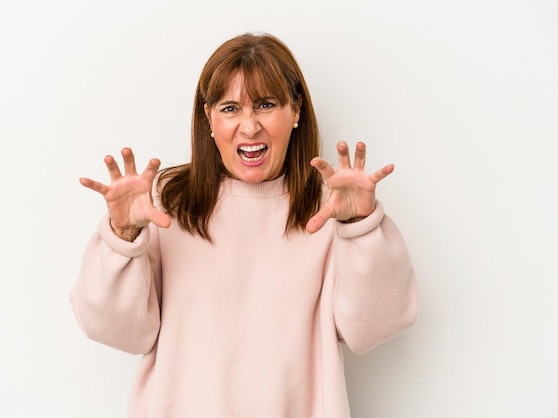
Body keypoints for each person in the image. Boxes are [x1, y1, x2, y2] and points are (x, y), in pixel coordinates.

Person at [70, 32, 418, 418]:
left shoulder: (329, 205)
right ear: (209, 117)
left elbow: (375, 326)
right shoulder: (166, 201)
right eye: (230, 108)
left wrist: (361, 226)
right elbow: (119, 331)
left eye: (266, 105)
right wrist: (123, 236)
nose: (249, 127)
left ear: (296, 110)